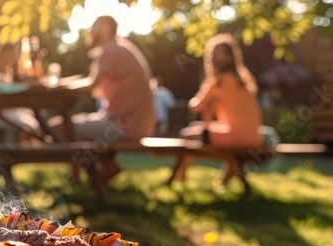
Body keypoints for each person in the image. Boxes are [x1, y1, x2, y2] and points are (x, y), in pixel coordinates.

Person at [54, 16, 155, 182]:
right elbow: (98, 91)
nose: (91, 30)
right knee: (73, 130)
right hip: (134, 124)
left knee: (59, 126)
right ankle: (103, 170)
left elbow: (91, 87)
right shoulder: (120, 48)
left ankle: (86, 174)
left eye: (95, 25)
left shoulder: (111, 50)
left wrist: (59, 86)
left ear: (107, 27)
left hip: (121, 125)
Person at [170, 33, 263, 188]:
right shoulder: (244, 80)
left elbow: (194, 107)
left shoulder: (218, 81)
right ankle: (223, 183)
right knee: (197, 129)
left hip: (235, 137)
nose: (212, 57)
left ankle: (179, 175)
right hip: (254, 136)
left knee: (187, 135)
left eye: (214, 54)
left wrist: (206, 94)